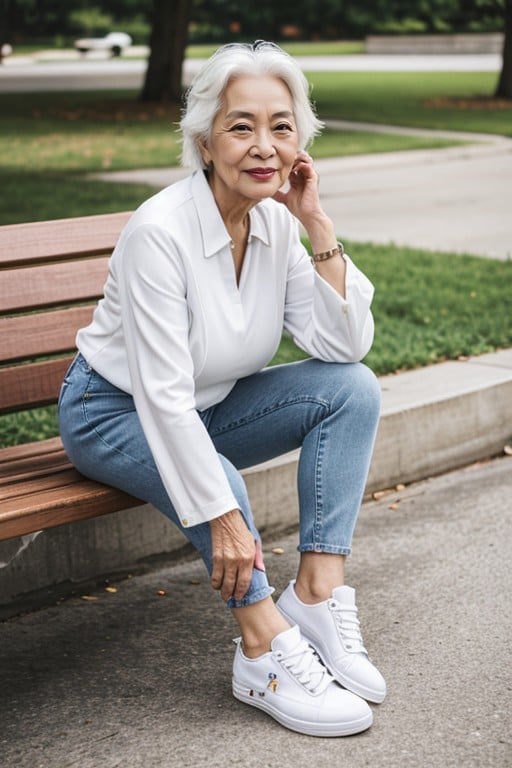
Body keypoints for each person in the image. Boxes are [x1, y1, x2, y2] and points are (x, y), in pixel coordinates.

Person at [58, 41, 385, 737]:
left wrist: (316, 224)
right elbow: (161, 399)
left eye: (281, 126)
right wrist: (222, 515)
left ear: (301, 142)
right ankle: (262, 649)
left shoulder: (273, 219)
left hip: (202, 408)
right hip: (109, 410)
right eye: (241, 127)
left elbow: (343, 346)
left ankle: (317, 596)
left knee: (352, 389)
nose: (263, 146)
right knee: (220, 485)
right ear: (205, 142)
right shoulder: (160, 234)